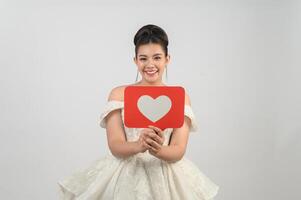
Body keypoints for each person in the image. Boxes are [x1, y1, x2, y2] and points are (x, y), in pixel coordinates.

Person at [58, 24, 219, 200]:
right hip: (124, 175)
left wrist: (158, 149)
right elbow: (115, 144)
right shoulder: (119, 94)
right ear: (135, 60)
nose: (150, 64)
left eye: (157, 57)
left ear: (167, 59)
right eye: (143, 58)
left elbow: (179, 149)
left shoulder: (180, 98)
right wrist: (139, 145)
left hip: (165, 175)